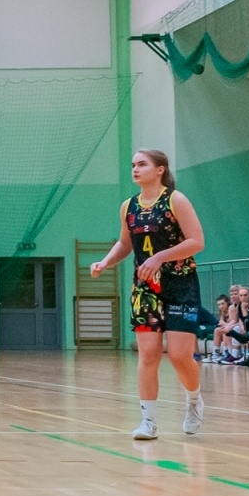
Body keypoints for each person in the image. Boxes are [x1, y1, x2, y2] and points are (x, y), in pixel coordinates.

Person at [91, 149, 206, 439]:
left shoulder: (175, 200)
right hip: (145, 288)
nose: (135, 169)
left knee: (179, 356)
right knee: (148, 355)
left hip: (180, 283)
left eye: (142, 164)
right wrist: (106, 261)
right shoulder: (128, 206)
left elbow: (197, 242)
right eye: (133, 164)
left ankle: (194, 399)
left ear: (159, 169)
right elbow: (124, 243)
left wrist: (160, 257)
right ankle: (148, 422)